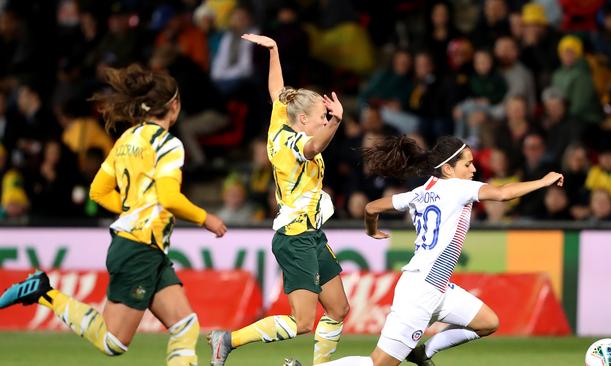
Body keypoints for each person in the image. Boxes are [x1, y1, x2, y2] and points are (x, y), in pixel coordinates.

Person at [0, 64, 227, 366]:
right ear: (174, 106)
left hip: (144, 247)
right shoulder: (169, 144)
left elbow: (98, 191)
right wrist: (205, 218)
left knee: (185, 326)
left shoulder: (128, 140)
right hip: (139, 249)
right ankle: (44, 292)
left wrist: (134, 208)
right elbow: (170, 198)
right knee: (114, 342)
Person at [298, 135, 563, 366]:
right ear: (448, 169)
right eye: (467, 164)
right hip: (421, 291)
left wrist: (371, 230)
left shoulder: (420, 191)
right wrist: (543, 181)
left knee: (487, 322)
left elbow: (371, 208)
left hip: (436, 286)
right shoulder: (458, 187)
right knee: (378, 363)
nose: (473, 169)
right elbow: (504, 194)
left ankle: (423, 352)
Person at [207, 34, 349, 366]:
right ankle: (228, 340)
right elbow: (314, 148)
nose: (323, 122)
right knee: (302, 323)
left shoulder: (279, 124)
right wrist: (338, 121)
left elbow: (277, 92)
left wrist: (274, 51)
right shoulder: (294, 145)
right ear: (302, 122)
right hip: (296, 238)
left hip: (312, 235)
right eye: (321, 118)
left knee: (339, 309)